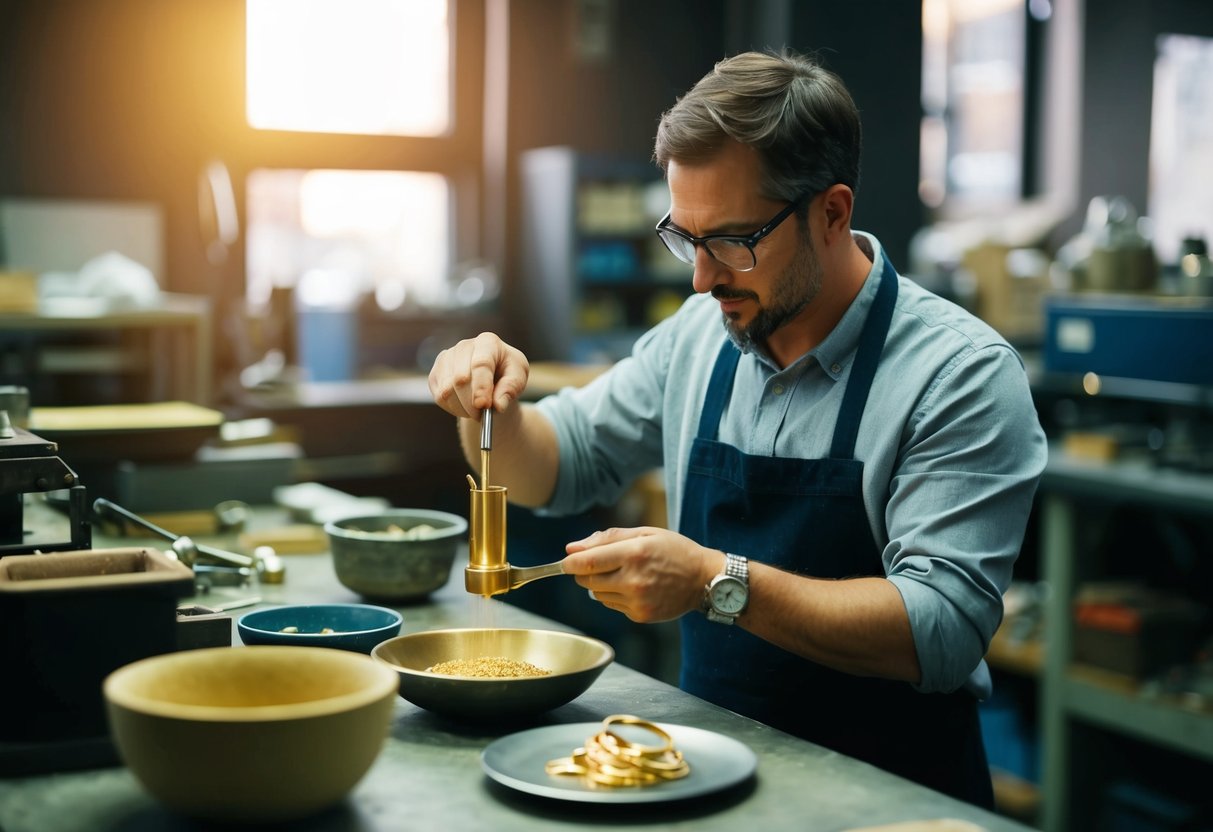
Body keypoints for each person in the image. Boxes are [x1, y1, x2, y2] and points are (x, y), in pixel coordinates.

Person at [428, 49, 1046, 807]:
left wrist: (714, 582)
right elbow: (555, 468)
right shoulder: (699, 334)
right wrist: (490, 406)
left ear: (831, 213)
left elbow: (941, 630)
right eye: (684, 238)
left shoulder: (958, 374)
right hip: (713, 783)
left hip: (892, 802)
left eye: (731, 241)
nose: (699, 276)